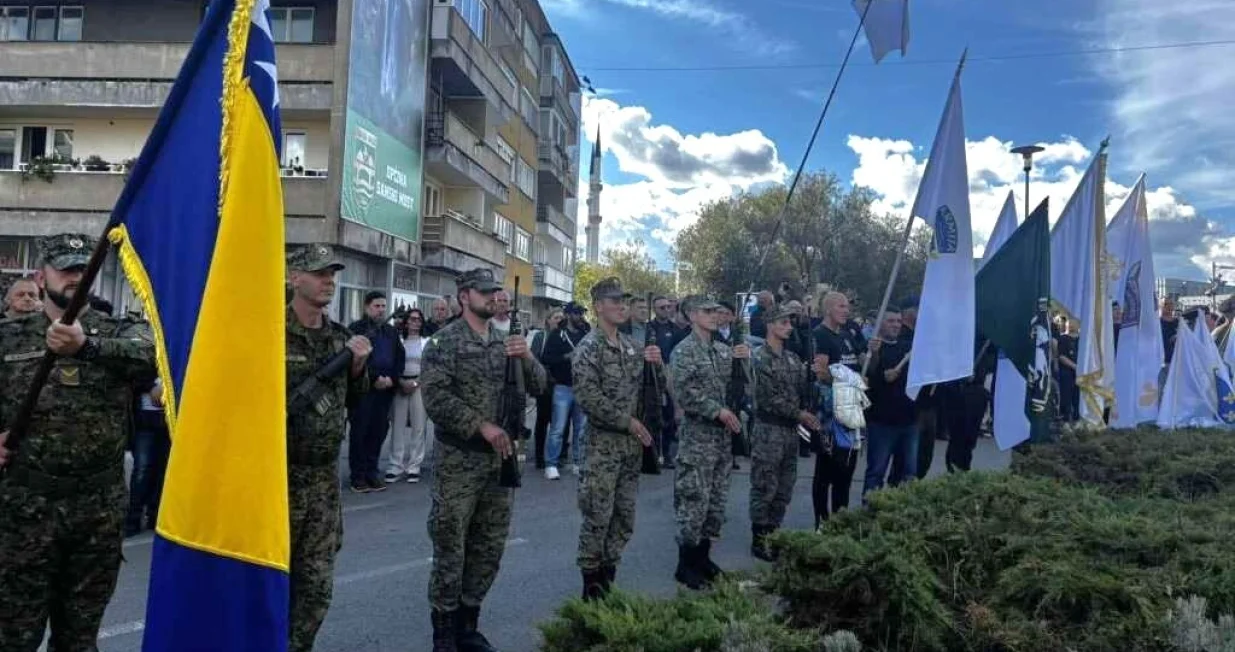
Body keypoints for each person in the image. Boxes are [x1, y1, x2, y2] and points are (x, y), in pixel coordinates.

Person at [0, 233, 157, 651]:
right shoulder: (10, 337)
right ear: (40, 276)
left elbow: (154, 357)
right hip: (24, 510)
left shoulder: (120, 332)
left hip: (97, 513)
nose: (75, 278)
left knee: (79, 639)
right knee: (13, 636)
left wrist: (86, 346)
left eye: (82, 269)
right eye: (65, 268)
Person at [421, 267, 547, 652]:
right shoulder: (444, 344)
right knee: (450, 547)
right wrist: (482, 426)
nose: (493, 298)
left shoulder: (506, 342)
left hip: (500, 463)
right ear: (464, 297)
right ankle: (444, 633)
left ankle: (468, 624)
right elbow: (437, 400)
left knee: (489, 547)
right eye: (485, 292)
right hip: (460, 461)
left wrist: (526, 357)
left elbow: (542, 386)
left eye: (495, 292)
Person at [285, 244, 373, 651]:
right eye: (319, 273)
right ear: (293, 278)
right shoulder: (266, 330)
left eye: (332, 274)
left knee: (317, 585)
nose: (328, 281)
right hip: (276, 478)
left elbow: (356, 401)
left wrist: (356, 367)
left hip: (322, 480)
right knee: (270, 582)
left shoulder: (340, 339)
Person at [572, 277, 663, 599]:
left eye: (625, 301)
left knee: (623, 518)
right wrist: (627, 421)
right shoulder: (588, 348)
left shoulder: (633, 348)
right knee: (597, 517)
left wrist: (657, 364)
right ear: (598, 307)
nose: (623, 306)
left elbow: (654, 391)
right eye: (615, 301)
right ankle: (591, 590)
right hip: (603, 445)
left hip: (630, 447)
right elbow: (588, 398)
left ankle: (608, 581)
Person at [670, 295, 750, 590]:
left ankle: (703, 557)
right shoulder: (684, 350)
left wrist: (744, 361)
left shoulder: (722, 350)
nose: (715, 315)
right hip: (698, 436)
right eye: (707, 311)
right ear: (691, 315)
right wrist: (716, 410)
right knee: (694, 500)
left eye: (717, 311)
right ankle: (685, 563)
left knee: (715, 502)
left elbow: (740, 386)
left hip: (722, 439)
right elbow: (684, 392)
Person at [750, 305, 819, 560]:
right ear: (770, 325)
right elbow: (767, 398)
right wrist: (799, 414)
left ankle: (774, 531)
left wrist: (815, 377)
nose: (789, 327)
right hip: (769, 430)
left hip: (790, 432)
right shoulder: (759, 357)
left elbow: (804, 387)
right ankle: (759, 538)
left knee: (784, 486)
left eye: (790, 324)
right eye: (783, 323)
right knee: (764, 485)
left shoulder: (792, 359)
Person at [811, 291, 865, 525]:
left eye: (847, 306)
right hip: (830, 417)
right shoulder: (820, 336)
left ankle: (840, 521)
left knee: (846, 471)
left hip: (851, 413)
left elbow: (858, 362)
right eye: (841, 306)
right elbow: (821, 373)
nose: (846, 310)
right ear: (829, 309)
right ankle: (822, 522)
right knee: (826, 472)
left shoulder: (846, 334)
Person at [347, 291, 405, 492]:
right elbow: (354, 359)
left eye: (383, 306)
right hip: (363, 391)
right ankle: (358, 476)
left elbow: (399, 358)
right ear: (366, 307)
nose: (380, 310)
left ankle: (372, 472)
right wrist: (374, 378)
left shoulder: (390, 332)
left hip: (385, 391)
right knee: (360, 432)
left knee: (378, 432)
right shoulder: (356, 329)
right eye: (376, 306)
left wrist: (392, 379)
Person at [542, 302, 591, 479]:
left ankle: (578, 462)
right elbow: (546, 358)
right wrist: (566, 357)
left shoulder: (587, 334)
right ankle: (551, 464)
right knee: (558, 428)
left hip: (582, 386)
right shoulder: (557, 334)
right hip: (562, 387)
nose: (580, 317)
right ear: (568, 315)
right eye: (577, 313)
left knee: (581, 428)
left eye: (582, 313)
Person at [388, 308, 430, 483]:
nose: (415, 322)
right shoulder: (398, 340)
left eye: (418, 319)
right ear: (406, 322)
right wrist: (400, 382)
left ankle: (414, 466)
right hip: (400, 385)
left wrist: (416, 382)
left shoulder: (427, 341)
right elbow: (392, 362)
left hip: (419, 385)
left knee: (419, 427)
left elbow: (430, 365)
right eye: (412, 319)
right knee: (397, 426)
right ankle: (395, 466)